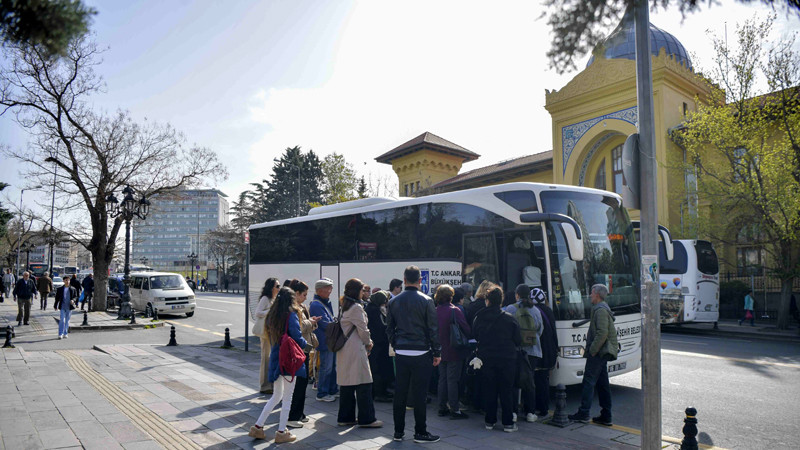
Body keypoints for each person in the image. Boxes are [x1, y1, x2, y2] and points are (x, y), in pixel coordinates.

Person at [386, 265, 441, 443]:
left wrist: (396, 343)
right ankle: (420, 432)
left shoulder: (393, 301)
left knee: (400, 393)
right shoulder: (427, 300)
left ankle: (398, 432)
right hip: (421, 351)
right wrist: (437, 351)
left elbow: (389, 328)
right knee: (420, 394)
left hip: (401, 351)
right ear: (420, 280)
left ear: (404, 280)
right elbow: (433, 329)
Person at [248, 287, 308, 444]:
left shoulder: (273, 315)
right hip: (289, 360)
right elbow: (297, 336)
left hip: (276, 358)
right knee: (287, 398)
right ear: (291, 299)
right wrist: (306, 344)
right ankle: (281, 432)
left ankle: (257, 427)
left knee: (276, 396)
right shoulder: (292, 315)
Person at [568, 284, 618, 426]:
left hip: (598, 353)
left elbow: (602, 333)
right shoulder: (600, 308)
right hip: (601, 353)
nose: (590, 295)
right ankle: (606, 415)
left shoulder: (600, 310)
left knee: (588, 382)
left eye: (591, 292)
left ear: (597, 294)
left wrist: (592, 350)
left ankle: (584, 413)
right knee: (602, 384)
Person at [473, 286, 522, 432]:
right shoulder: (509, 319)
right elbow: (518, 340)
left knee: (489, 389)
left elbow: (475, 335)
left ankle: (490, 421)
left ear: (487, 300)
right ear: (501, 301)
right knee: (506, 390)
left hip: (486, 357)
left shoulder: (479, 317)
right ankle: (508, 423)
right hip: (507, 358)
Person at [336, 278, 383, 428]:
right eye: (362, 290)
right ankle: (367, 418)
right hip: (356, 348)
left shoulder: (344, 305)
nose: (364, 293)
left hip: (345, 348)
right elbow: (363, 330)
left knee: (347, 384)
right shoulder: (356, 307)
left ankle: (345, 417)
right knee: (364, 383)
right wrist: (369, 343)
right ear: (357, 291)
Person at [504, 284, 543, 423]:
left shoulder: (510, 308)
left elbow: (508, 329)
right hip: (533, 351)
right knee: (529, 381)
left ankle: (513, 412)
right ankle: (530, 413)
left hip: (516, 350)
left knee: (514, 382)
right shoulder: (536, 310)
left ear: (517, 295)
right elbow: (539, 330)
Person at [287, 280, 320, 428]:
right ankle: (292, 416)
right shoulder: (292, 309)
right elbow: (298, 328)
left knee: (303, 382)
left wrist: (311, 322)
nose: (306, 297)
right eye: (304, 294)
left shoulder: (301, 307)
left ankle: (299, 413)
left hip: (304, 348)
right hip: (299, 349)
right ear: (297, 294)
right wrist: (310, 322)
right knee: (299, 384)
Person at [435, 284, 470, 419]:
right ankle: (455, 409)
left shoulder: (434, 310)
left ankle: (441, 407)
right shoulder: (455, 310)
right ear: (451, 296)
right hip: (454, 349)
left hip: (439, 349)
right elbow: (466, 329)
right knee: (452, 380)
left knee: (442, 379)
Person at [309, 277, 338, 402]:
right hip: (326, 340)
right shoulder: (316, 304)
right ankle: (322, 393)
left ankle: (332, 390)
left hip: (330, 340)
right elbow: (326, 324)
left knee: (331, 366)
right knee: (326, 367)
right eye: (328, 288)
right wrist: (338, 325)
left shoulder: (322, 303)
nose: (330, 290)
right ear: (320, 290)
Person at [533, 288, 558, 418]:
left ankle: (537, 407)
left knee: (537, 381)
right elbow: (554, 333)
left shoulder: (534, 311)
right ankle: (544, 408)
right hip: (550, 351)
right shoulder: (549, 311)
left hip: (539, 351)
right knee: (544, 380)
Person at [365, 290, 393, 402]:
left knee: (380, 368)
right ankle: (379, 393)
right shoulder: (374, 310)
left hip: (378, 344)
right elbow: (382, 326)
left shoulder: (372, 308)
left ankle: (382, 391)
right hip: (377, 345)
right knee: (378, 369)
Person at [255, 278, 280, 394]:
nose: (279, 288)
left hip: (272, 331)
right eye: (277, 286)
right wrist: (270, 312)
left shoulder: (275, 298)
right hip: (265, 332)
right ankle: (265, 386)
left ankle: (270, 384)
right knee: (265, 358)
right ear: (271, 287)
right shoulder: (265, 298)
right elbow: (258, 313)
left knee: (271, 358)